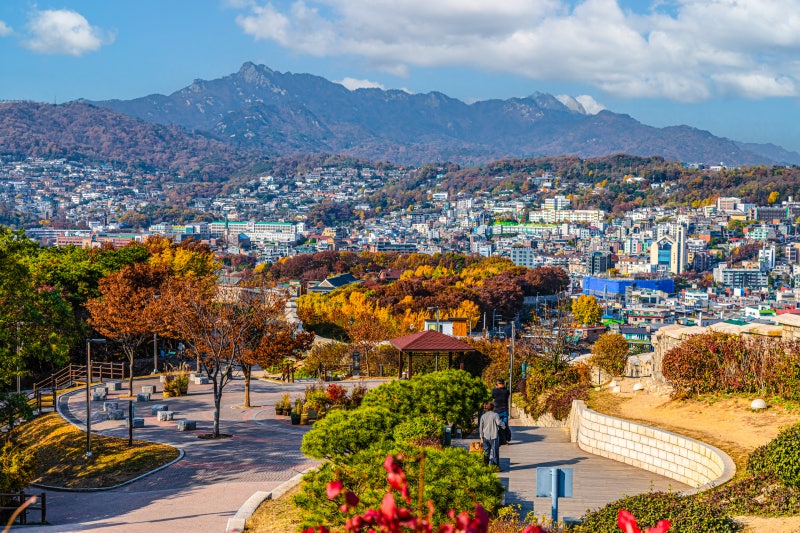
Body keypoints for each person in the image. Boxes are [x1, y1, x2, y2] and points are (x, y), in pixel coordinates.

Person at [478, 401, 506, 471]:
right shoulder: (495, 415)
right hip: (494, 436)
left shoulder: (483, 416)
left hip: (485, 437)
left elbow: (480, 427)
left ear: (485, 408)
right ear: (493, 408)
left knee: (486, 452)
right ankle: (496, 467)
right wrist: (504, 426)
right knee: (495, 452)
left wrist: (481, 436)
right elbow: (499, 423)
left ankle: (485, 466)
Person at [492, 379, 511, 444]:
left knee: (498, 426)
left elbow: (493, 396)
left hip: (497, 411)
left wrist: (496, 387)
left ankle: (500, 440)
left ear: (497, 385)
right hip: (505, 410)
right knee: (505, 425)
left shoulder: (494, 391)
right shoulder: (506, 391)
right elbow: (507, 394)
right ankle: (507, 438)